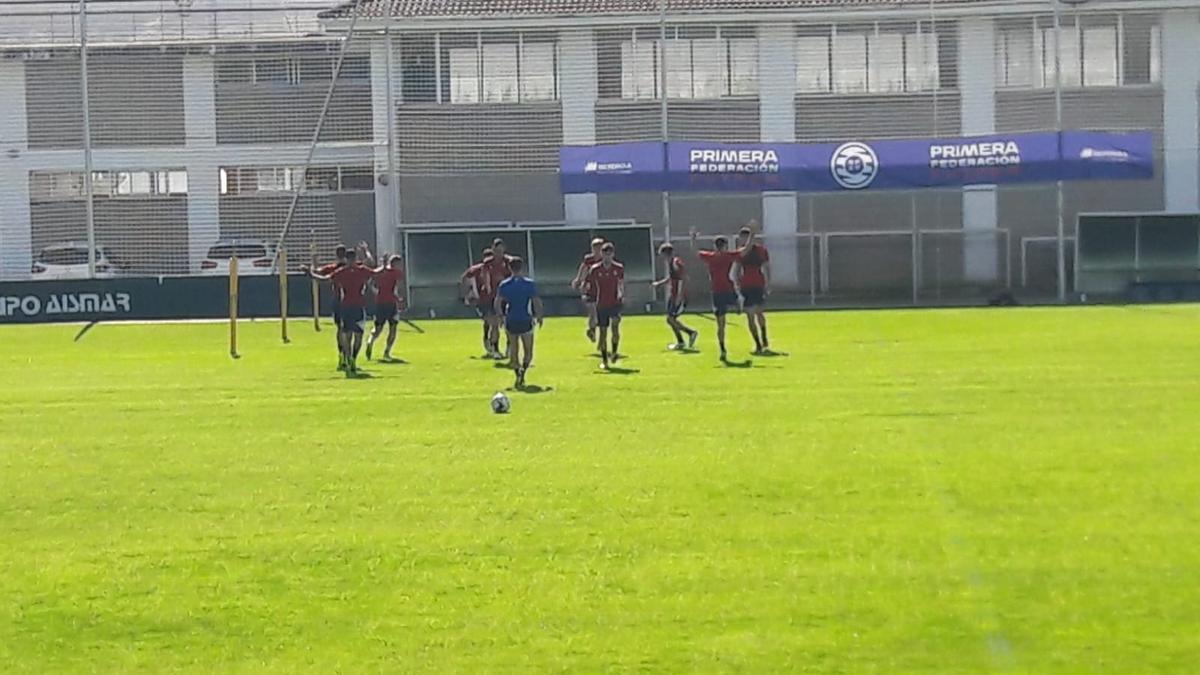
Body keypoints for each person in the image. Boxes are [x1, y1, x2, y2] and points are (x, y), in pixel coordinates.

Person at [304, 248, 374, 376]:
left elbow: (322, 278)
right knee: (351, 334)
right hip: (352, 306)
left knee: (347, 334)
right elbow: (375, 270)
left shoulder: (343, 270)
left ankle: (348, 358)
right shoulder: (347, 270)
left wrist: (310, 272)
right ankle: (350, 358)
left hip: (346, 306)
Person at [495, 257, 544, 389]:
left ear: (509, 268)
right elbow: (536, 301)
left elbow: (498, 302)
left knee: (514, 349)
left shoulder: (505, 285)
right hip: (525, 319)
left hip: (511, 319)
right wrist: (539, 315)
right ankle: (523, 371)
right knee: (528, 350)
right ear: (522, 268)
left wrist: (500, 316)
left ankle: (517, 373)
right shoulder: (529, 284)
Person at [691, 230, 739, 361]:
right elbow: (744, 250)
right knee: (723, 322)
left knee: (721, 324)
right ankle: (737, 303)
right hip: (726, 290)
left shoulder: (712, 257)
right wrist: (752, 235)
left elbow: (696, 251)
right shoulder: (727, 256)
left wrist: (693, 238)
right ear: (724, 246)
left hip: (718, 291)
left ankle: (722, 348)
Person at [732, 225, 771, 355]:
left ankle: (764, 336)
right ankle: (758, 344)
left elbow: (766, 268)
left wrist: (767, 284)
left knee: (759, 313)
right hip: (746, 286)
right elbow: (737, 269)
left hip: (758, 284)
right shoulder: (740, 252)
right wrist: (737, 284)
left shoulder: (761, 251)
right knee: (750, 315)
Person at [585, 242, 625, 370]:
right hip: (601, 304)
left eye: (610, 254)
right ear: (601, 254)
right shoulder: (595, 269)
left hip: (615, 303)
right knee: (602, 333)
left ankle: (614, 352)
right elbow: (589, 284)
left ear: (613, 254)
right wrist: (586, 294)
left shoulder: (618, 268)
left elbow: (621, 283)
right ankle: (604, 360)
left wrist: (622, 294)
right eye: (605, 254)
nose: (607, 257)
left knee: (615, 327)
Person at [652, 243, 697, 351]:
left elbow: (683, 279)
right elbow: (672, 278)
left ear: (667, 254)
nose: (662, 259)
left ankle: (691, 333)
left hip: (678, 296)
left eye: (663, 256)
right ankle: (680, 342)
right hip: (673, 295)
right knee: (670, 320)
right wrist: (659, 283)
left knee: (670, 319)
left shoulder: (676, 263)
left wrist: (679, 297)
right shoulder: (671, 263)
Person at [366, 254, 406, 362]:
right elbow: (397, 288)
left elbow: (370, 283)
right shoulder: (396, 273)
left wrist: (376, 293)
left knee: (378, 328)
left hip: (380, 303)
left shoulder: (381, 272)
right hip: (391, 304)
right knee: (393, 328)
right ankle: (387, 353)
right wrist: (399, 299)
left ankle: (370, 341)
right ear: (396, 264)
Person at [315, 245, 348, 369]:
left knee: (341, 329)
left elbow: (317, 272)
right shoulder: (342, 267)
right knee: (347, 330)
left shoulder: (333, 268)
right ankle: (345, 355)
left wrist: (314, 262)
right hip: (347, 301)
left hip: (339, 301)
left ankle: (343, 355)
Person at [483, 238, 516, 359]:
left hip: (507, 297)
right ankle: (495, 349)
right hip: (493, 297)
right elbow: (486, 279)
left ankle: (509, 346)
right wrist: (488, 291)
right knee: (494, 324)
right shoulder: (488, 263)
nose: (499, 253)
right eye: (496, 250)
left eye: (501, 250)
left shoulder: (508, 261)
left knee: (508, 324)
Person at [461, 248, 496, 357]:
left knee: (495, 323)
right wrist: (468, 294)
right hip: (482, 300)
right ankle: (488, 341)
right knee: (489, 321)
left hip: (495, 298)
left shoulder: (496, 269)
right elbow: (464, 278)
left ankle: (494, 346)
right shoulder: (477, 269)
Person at [571, 238, 605, 342]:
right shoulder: (588, 259)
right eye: (595, 248)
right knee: (592, 312)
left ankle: (596, 332)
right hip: (590, 288)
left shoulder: (606, 260)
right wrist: (578, 280)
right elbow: (583, 269)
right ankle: (592, 331)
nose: (597, 251)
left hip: (603, 289)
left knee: (601, 314)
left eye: (599, 248)